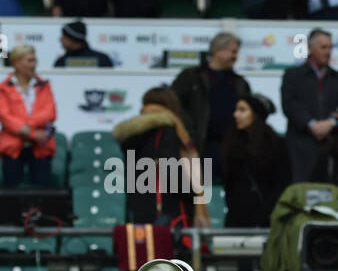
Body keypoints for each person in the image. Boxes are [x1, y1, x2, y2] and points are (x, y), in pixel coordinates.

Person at [112, 86, 206, 228]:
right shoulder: (166, 130)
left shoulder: (132, 135)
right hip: (169, 210)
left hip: (142, 209)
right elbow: (171, 171)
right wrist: (192, 194)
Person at [281, 28, 338, 183]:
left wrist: (330, 123)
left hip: (331, 145)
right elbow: (289, 105)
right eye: (323, 47)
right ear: (310, 48)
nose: (328, 52)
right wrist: (312, 124)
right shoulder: (292, 76)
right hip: (300, 146)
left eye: (330, 47)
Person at [171, 32, 250, 163]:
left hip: (234, 150)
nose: (235, 57)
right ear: (217, 51)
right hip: (201, 149)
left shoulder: (240, 83)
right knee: (204, 183)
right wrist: (190, 135)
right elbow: (175, 105)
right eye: (233, 52)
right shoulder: (191, 77)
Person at [219, 94, 291, 227]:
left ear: (256, 114)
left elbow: (282, 183)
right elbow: (229, 184)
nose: (236, 115)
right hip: (237, 218)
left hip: (267, 218)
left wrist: (266, 211)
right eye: (236, 110)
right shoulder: (230, 145)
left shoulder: (277, 145)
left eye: (242, 110)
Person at [0, 46, 56, 189]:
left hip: (41, 147)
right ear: (16, 62)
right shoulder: (3, 87)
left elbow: (50, 112)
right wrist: (33, 133)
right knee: (11, 193)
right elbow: (4, 115)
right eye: (29, 60)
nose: (33, 64)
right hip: (13, 147)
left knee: (42, 192)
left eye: (34, 60)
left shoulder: (44, 85)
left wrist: (27, 126)